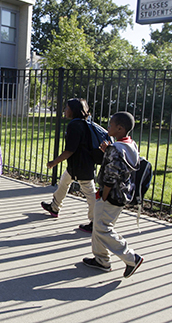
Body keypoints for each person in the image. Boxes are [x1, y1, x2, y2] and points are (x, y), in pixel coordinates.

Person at [82, 111, 144, 278]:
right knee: (99, 225)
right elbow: (120, 167)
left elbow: (110, 176)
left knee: (103, 228)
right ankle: (101, 259)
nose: (108, 126)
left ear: (120, 128)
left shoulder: (116, 148)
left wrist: (103, 195)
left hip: (110, 195)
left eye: (111, 124)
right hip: (122, 193)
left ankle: (131, 258)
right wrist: (107, 153)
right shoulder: (130, 145)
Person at [41, 98, 97, 233]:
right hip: (78, 165)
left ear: (73, 110)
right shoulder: (84, 123)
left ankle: (96, 222)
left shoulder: (75, 126)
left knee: (90, 193)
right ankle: (54, 207)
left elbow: (69, 150)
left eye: (67, 108)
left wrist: (54, 162)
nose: (65, 110)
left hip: (81, 166)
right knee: (64, 182)